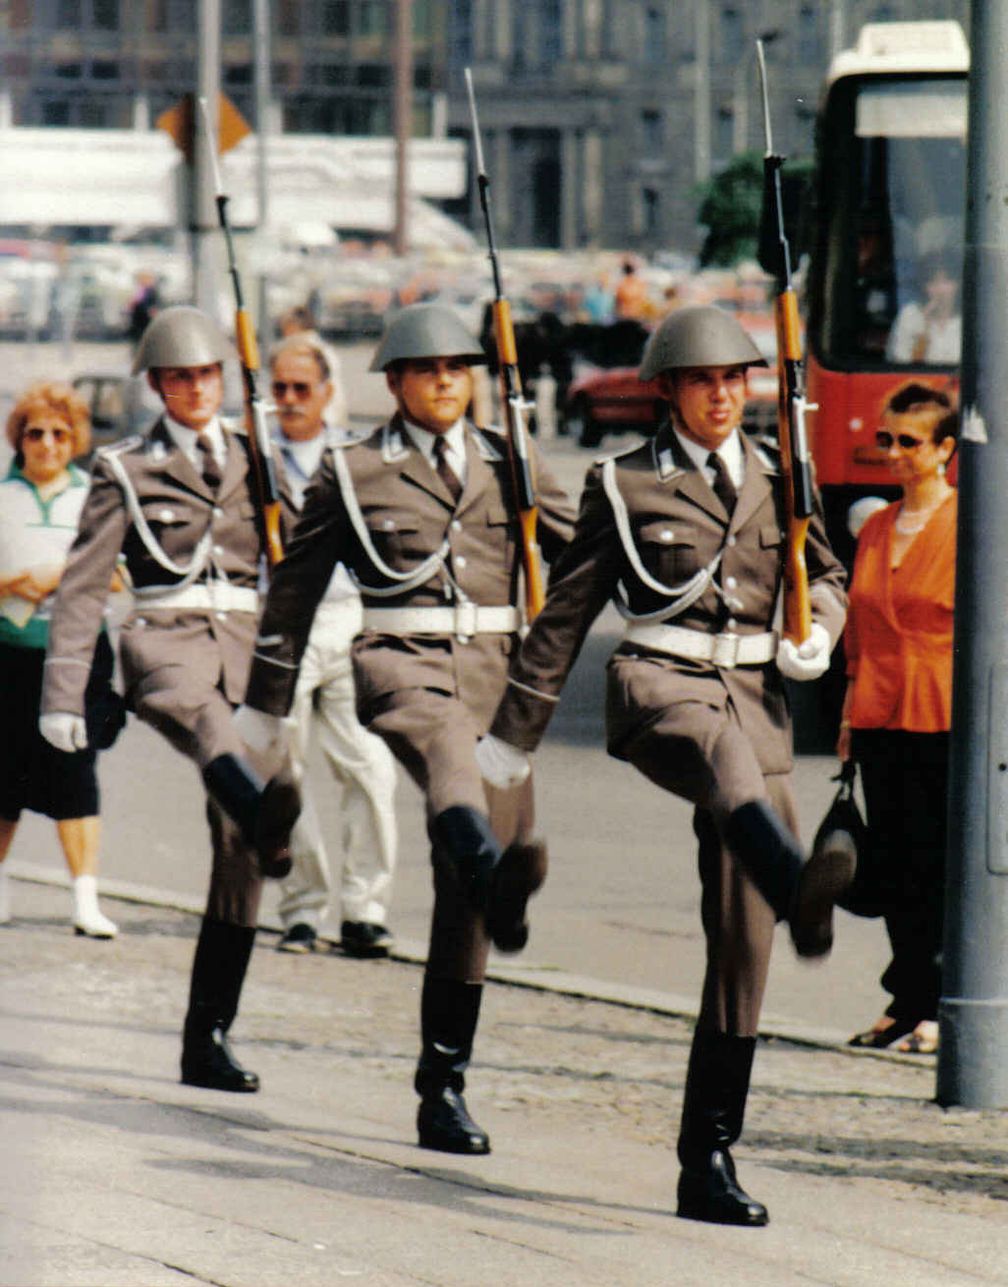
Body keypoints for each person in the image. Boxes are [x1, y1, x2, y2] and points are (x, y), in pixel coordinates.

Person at [476, 304, 850, 1227]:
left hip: (755, 704)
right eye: (702, 381)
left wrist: (821, 633)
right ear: (669, 392)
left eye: (734, 380)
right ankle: (795, 878)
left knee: (744, 943)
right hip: (661, 685)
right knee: (722, 761)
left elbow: (828, 575)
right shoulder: (623, 483)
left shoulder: (778, 476)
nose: (721, 396)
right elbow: (564, 616)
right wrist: (514, 736)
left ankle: (707, 1158)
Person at [238, 303, 576, 1153]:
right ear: (393, 381)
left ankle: (442, 1086)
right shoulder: (355, 472)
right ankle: (491, 869)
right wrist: (266, 706)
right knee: (447, 758)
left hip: (498, 677)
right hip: (401, 665)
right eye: (427, 370)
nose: (445, 383)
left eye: (459, 369)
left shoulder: (513, 460)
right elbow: (294, 590)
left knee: (470, 896)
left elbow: (588, 551)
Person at [40, 305, 298, 1094]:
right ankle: (263, 810)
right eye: (179, 377)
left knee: (239, 852)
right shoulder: (124, 468)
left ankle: (207, 1035)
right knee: (208, 724)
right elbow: (83, 591)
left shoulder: (256, 457)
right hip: (165, 641)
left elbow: (296, 555)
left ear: (223, 378)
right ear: (157, 384)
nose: (194, 389)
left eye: (206, 375)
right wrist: (63, 695)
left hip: (246, 647)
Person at [269, 333, 399, 959]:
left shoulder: (354, 458)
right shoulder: (254, 461)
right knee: (284, 774)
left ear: (327, 392)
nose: (290, 400)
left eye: (302, 389)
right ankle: (300, 908)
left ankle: (364, 910)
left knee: (370, 769)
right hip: (282, 628)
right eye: (280, 389)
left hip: (350, 621)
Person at [839, 382, 957, 1057]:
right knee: (891, 863)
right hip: (881, 714)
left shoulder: (970, 525)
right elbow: (859, 625)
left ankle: (940, 1006)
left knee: (936, 865)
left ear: (944, 450)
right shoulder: (877, 526)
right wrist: (852, 706)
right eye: (887, 439)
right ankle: (905, 999)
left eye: (908, 441)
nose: (892, 452)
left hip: (943, 717)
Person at [0, 382, 120, 938]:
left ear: (75, 440)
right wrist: (15, 582)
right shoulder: (3, 496)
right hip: (11, 651)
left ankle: (85, 899)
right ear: (19, 439)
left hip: (75, 655)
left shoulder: (93, 497)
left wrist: (66, 577)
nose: (47, 444)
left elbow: (118, 575)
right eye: (36, 433)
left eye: (59, 433)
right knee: (4, 773)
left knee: (76, 768)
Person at [885, 249, 961, 366]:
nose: (940, 290)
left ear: (958, 284)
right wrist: (924, 327)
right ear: (924, 286)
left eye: (947, 281)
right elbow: (901, 365)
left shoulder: (968, 320)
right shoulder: (910, 315)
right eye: (933, 282)